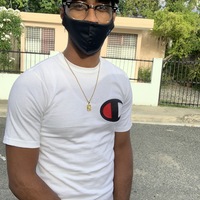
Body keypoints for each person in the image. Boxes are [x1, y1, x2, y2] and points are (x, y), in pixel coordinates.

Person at [3, 0, 133, 199]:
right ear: (63, 13)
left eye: (101, 8)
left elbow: (122, 149)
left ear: (113, 16)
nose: (91, 17)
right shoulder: (33, 83)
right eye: (80, 6)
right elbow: (20, 178)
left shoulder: (119, 80)